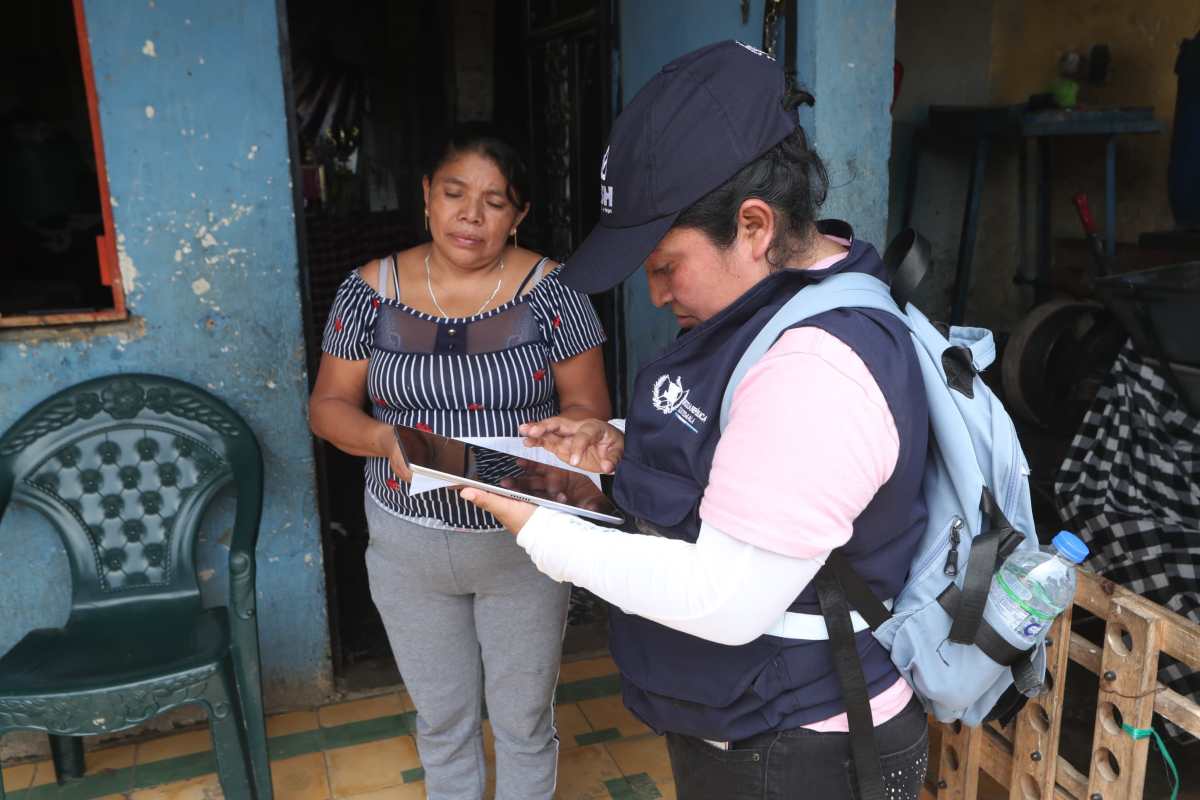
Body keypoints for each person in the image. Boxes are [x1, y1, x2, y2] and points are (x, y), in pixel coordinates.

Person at [460, 42, 930, 799]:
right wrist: (621, 447)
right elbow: (753, 452)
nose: (654, 294)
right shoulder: (775, 308)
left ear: (753, 226)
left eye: (664, 265)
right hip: (750, 721)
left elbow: (725, 598)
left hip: (799, 748)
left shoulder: (817, 367)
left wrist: (538, 529)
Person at [308, 123, 610, 800]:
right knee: (442, 721)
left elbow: (589, 406)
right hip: (406, 543)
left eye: (494, 202)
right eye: (454, 193)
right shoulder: (368, 292)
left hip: (523, 542)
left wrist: (571, 433)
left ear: (518, 214)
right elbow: (327, 406)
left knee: (524, 722)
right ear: (426, 195)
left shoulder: (556, 293)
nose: (471, 215)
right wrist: (384, 440)